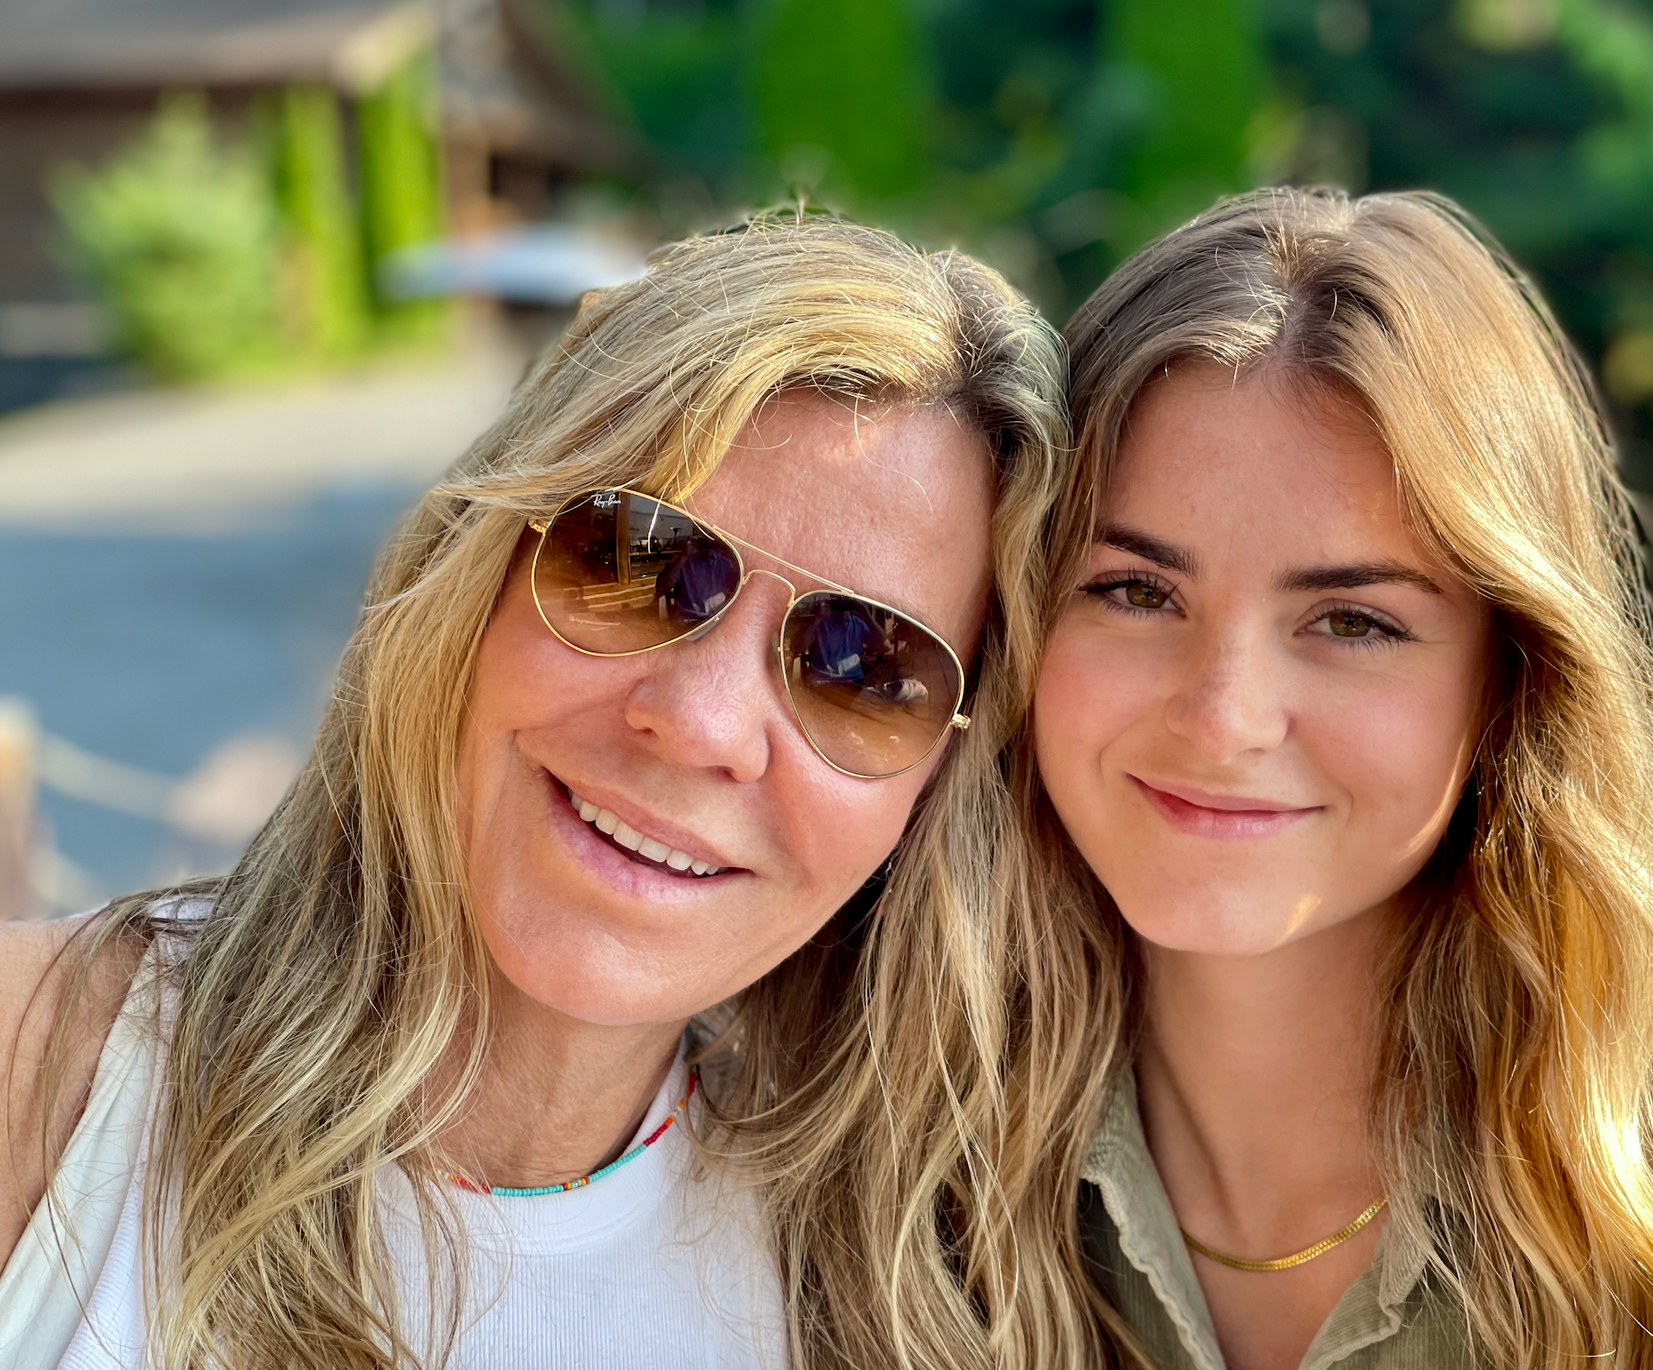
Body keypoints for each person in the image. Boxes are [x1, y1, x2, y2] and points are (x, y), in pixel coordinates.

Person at [0, 214, 1069, 1370]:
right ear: (477, 564)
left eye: (862, 666)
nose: (701, 724)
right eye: (630, 560)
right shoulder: (40, 1076)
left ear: (940, 783)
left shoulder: (921, 1304)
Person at [1005, 187, 1653, 1370]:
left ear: (1510, 676)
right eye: (1136, 590)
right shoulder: (879, 1163)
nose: (1225, 716)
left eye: (1351, 619)